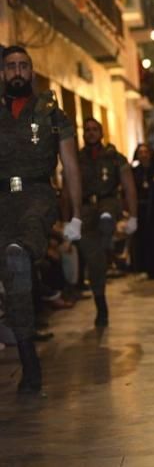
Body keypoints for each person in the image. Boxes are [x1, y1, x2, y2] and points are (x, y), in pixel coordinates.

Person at [0, 46, 82, 393]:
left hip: (38, 195)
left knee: (18, 255)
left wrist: (75, 215)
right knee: (11, 270)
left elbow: (72, 168)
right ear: (3, 74)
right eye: (11, 67)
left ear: (32, 72)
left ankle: (30, 362)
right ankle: (24, 346)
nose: (17, 71)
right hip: (3, 198)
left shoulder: (52, 114)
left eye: (23, 66)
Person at [76, 118, 137, 326]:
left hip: (108, 203)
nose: (91, 133)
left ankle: (108, 233)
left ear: (101, 133)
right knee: (95, 262)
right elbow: (68, 190)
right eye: (87, 130)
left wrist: (134, 216)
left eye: (95, 129)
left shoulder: (114, 158)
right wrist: (69, 219)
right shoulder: (76, 158)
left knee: (107, 214)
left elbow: (129, 188)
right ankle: (101, 304)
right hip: (85, 211)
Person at [132, 143, 154, 273]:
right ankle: (144, 267)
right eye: (140, 152)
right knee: (142, 239)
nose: (143, 155)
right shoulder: (134, 171)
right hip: (140, 209)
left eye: (145, 152)